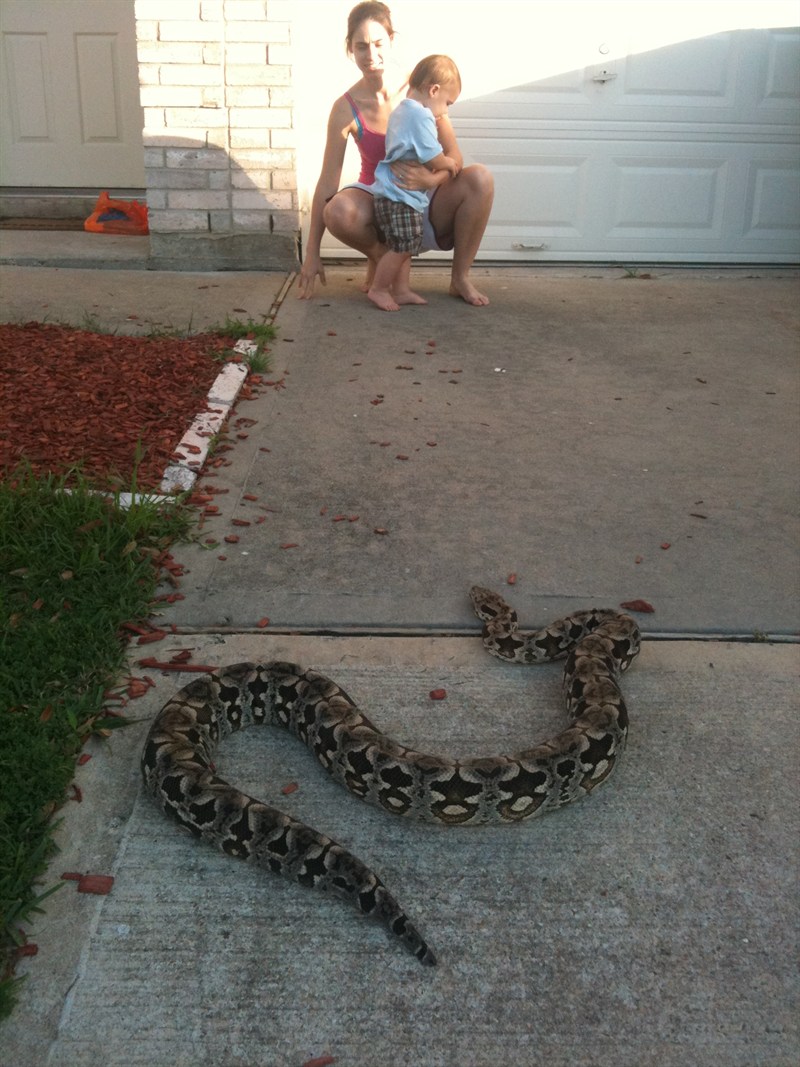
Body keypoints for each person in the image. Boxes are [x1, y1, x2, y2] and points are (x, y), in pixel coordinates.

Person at [297, 1, 494, 307]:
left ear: (391, 40)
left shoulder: (422, 87)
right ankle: (384, 265)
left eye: (378, 43)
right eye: (361, 46)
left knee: (480, 178)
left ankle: (459, 279)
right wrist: (312, 252)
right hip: (379, 197)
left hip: (425, 195)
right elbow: (327, 182)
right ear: (350, 48)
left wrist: (430, 180)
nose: (371, 55)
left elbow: (454, 157)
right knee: (337, 210)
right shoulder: (345, 108)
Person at [368, 55, 462, 311]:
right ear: (434, 90)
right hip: (401, 197)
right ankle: (379, 289)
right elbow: (431, 154)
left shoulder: (401, 110)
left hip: (389, 194)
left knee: (401, 244)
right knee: (404, 246)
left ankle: (401, 290)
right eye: (447, 103)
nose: (445, 111)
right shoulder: (421, 115)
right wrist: (448, 163)